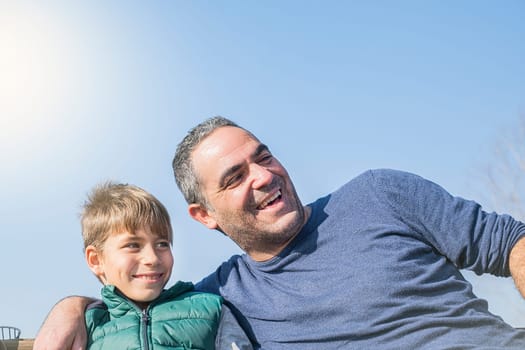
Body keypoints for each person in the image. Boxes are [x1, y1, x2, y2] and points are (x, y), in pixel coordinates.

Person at [35, 116, 525, 349]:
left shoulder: (381, 195)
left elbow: (511, 244)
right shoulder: (220, 298)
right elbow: (137, 305)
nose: (264, 176)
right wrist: (72, 306)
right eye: (235, 177)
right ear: (204, 217)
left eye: (263, 156)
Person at [77, 181, 252, 350]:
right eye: (133, 245)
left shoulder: (209, 310)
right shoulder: (84, 328)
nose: (152, 258)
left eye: (162, 244)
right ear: (96, 260)